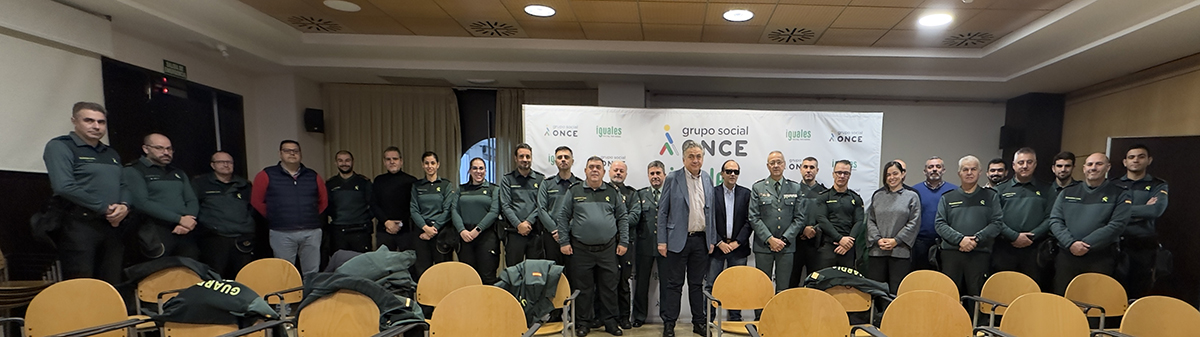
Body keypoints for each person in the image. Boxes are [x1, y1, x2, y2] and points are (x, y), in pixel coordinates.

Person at [42, 102, 130, 283]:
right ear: (74, 121)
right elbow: (64, 186)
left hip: (113, 225)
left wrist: (125, 206)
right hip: (79, 225)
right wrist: (104, 208)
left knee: (112, 282)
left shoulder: (110, 152)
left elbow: (125, 185)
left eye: (101, 122)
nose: (96, 126)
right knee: (81, 283)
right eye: (89, 120)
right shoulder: (59, 146)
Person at [555, 156, 630, 336]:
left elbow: (623, 218)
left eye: (598, 167)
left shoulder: (612, 192)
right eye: (591, 167)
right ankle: (583, 323)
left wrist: (624, 241)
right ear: (585, 171)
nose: (595, 170)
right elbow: (563, 217)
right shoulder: (574, 191)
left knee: (609, 288)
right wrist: (564, 242)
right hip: (581, 249)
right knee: (583, 289)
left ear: (604, 172)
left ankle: (610, 322)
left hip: (608, 249)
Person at [657, 140, 718, 337]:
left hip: (700, 241)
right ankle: (669, 324)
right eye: (691, 156)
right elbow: (663, 212)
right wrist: (661, 240)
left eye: (698, 156)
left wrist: (711, 240)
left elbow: (711, 214)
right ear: (683, 159)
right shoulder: (673, 179)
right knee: (674, 284)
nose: (695, 160)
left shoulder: (707, 179)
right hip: (677, 240)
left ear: (703, 158)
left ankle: (698, 323)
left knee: (696, 284)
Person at [1050, 152, 1132, 294]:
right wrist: (1071, 243)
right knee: (1063, 300)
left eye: (1098, 164)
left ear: (1108, 167)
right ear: (1083, 168)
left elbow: (1117, 224)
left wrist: (1086, 244)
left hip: (1100, 257)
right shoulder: (1067, 192)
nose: (1093, 168)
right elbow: (1055, 220)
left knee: (1095, 300)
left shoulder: (1119, 193)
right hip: (1067, 255)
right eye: (1089, 164)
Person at [252, 140, 328, 276]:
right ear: (280, 154)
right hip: (281, 232)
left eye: (296, 151)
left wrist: (311, 217)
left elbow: (323, 201)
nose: (292, 153)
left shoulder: (313, 175)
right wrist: (275, 216)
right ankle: (287, 298)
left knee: (312, 272)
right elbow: (257, 202)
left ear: (300, 154)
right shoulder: (266, 175)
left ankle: (311, 296)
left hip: (311, 231)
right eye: (287, 150)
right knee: (284, 273)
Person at [935, 155, 1003, 301]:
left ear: (980, 172)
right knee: (950, 296)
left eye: (973, 169)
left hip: (979, 254)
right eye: (965, 169)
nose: (969, 172)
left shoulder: (991, 196)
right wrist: (960, 240)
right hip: (952, 254)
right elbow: (940, 224)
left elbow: (997, 223)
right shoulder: (947, 197)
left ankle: (977, 324)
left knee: (977, 297)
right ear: (959, 173)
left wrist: (976, 239)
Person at [124, 133, 200, 260]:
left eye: (169, 149)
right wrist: (179, 219)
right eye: (159, 148)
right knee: (160, 274)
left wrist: (188, 221)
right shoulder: (134, 170)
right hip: (154, 230)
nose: (166, 152)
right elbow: (142, 203)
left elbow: (191, 199)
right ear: (146, 149)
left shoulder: (177, 172)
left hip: (183, 230)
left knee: (191, 271)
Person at [1113, 144, 1169, 298]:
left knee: (1139, 293)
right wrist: (1141, 210)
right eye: (1131, 157)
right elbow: (1106, 212)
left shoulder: (1158, 184)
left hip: (1143, 247)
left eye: (1141, 156)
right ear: (1125, 162)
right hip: (1115, 245)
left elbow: (1155, 210)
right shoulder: (1113, 185)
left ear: (1149, 160)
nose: (1136, 160)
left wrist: (1121, 211)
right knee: (1113, 292)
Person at [993, 148, 1054, 287]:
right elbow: (995, 218)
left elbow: (1051, 217)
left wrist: (1031, 236)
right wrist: (1014, 236)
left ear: (1035, 164)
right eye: (1021, 162)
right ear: (1014, 165)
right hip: (1005, 248)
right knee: (1003, 289)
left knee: (1032, 289)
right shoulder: (1000, 190)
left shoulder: (1047, 189)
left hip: (1035, 249)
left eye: (1029, 162)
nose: (1025, 166)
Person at [748, 151, 805, 296]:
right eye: (772, 163)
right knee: (762, 287)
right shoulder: (758, 188)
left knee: (783, 289)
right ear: (768, 166)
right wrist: (770, 239)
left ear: (785, 165)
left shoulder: (795, 188)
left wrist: (784, 240)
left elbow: (799, 218)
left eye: (779, 162)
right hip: (764, 246)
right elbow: (753, 217)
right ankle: (760, 318)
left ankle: (780, 319)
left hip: (786, 247)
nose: (776, 165)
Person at [192, 151, 256, 279]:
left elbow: (252, 208)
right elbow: (193, 207)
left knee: (245, 277)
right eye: (221, 162)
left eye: (229, 162)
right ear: (212, 165)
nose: (226, 165)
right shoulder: (200, 183)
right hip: (215, 239)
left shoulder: (244, 185)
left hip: (242, 238)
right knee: (215, 277)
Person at [864, 160, 920, 295]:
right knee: (876, 290)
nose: (892, 177)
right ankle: (876, 316)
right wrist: (877, 239)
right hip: (878, 251)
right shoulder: (878, 196)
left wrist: (896, 240)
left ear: (902, 174)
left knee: (897, 290)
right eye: (888, 174)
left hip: (900, 251)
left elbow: (914, 222)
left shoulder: (911, 196)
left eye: (895, 173)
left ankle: (895, 316)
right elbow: (870, 220)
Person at [707, 160, 751, 322]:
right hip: (717, 247)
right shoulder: (711, 193)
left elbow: (749, 221)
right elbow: (708, 220)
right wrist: (719, 242)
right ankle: (709, 320)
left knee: (737, 285)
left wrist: (736, 242)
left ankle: (735, 319)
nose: (732, 174)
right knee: (711, 285)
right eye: (729, 171)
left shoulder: (746, 194)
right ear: (722, 173)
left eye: (736, 171)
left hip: (738, 248)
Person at [628, 160, 666, 328]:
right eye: (652, 173)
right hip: (644, 245)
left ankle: (667, 317)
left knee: (667, 284)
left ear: (664, 175)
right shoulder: (640, 194)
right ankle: (639, 316)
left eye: (658, 173)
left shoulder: (671, 193)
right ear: (648, 176)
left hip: (667, 246)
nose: (655, 177)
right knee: (641, 283)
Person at [451, 158, 501, 285]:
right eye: (475, 168)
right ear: (469, 171)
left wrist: (477, 230)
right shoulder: (461, 189)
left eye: (481, 168)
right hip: (465, 237)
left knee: (487, 276)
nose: (478, 171)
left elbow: (494, 212)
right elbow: (454, 210)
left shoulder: (493, 189)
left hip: (486, 236)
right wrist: (462, 230)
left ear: (485, 171)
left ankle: (488, 305)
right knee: (468, 277)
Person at [499, 143, 545, 266]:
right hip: (514, 233)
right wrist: (518, 225)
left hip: (534, 232)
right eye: (521, 156)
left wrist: (528, 222)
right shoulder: (507, 179)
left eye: (528, 156)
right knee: (513, 272)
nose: (525, 160)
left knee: (535, 272)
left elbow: (541, 205)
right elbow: (505, 205)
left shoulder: (540, 179)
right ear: (515, 158)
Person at [410, 151, 454, 278]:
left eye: (433, 163)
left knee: (443, 272)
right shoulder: (417, 186)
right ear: (423, 165)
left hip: (441, 233)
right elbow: (413, 209)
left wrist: (433, 229)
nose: (430, 166)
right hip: (421, 233)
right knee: (422, 272)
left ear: (438, 165)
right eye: (427, 163)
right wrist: (425, 228)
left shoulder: (446, 184)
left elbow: (447, 210)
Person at [814, 160, 865, 269]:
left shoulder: (856, 198)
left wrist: (848, 242)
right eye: (839, 172)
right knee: (823, 283)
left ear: (849, 175)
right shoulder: (823, 197)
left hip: (848, 248)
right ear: (833, 174)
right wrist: (840, 239)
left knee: (846, 284)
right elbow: (822, 219)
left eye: (845, 173)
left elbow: (859, 221)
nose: (842, 176)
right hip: (827, 246)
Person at [538, 146, 582, 267]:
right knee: (553, 274)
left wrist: (565, 231)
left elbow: (581, 211)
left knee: (574, 273)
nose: (563, 160)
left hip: (573, 235)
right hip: (551, 236)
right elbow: (541, 209)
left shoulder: (580, 185)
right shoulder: (547, 183)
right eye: (560, 157)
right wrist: (554, 230)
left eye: (566, 157)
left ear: (572, 161)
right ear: (555, 161)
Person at [911, 156, 957, 271]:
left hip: (946, 242)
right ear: (925, 171)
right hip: (921, 242)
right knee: (921, 275)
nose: (934, 169)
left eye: (938, 166)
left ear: (943, 170)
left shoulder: (954, 191)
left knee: (944, 276)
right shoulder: (914, 191)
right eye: (930, 167)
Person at [607, 160, 638, 329]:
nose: (618, 173)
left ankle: (624, 317)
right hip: (606, 243)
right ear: (609, 172)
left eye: (621, 171)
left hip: (626, 242)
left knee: (624, 282)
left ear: (625, 174)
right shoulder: (602, 190)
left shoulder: (632, 194)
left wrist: (616, 222)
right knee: (606, 282)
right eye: (615, 170)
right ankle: (605, 317)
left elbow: (634, 215)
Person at [325, 150, 374, 255]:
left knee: (362, 265)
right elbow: (327, 206)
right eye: (340, 161)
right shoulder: (330, 184)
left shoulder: (363, 182)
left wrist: (364, 218)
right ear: (336, 163)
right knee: (339, 265)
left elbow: (373, 204)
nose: (344, 163)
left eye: (347, 160)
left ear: (353, 162)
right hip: (338, 231)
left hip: (361, 230)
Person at [788, 156, 827, 288]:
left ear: (817, 170)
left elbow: (827, 217)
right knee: (792, 281)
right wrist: (802, 229)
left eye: (812, 167)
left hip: (816, 244)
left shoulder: (824, 193)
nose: (808, 170)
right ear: (800, 169)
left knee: (814, 282)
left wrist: (814, 229)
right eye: (805, 167)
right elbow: (788, 216)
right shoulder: (792, 191)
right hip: (795, 243)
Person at [371, 146, 418, 252]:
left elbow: (413, 206)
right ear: (384, 162)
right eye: (388, 159)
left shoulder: (411, 181)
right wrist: (386, 222)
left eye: (395, 159)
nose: (392, 162)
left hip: (406, 230)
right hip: (384, 230)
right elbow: (374, 204)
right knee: (383, 265)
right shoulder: (379, 180)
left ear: (401, 161)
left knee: (408, 265)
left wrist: (399, 224)